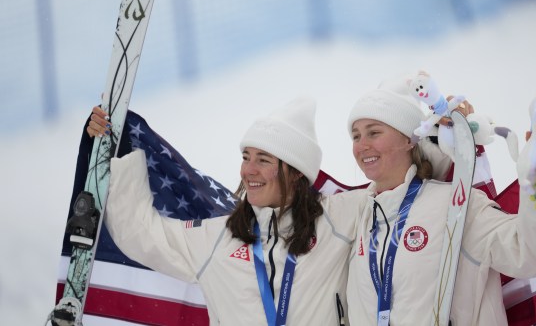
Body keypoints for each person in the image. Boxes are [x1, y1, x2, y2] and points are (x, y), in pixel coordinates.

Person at [87, 97, 367, 325]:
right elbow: (139, 233)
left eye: (263, 159)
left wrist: (407, 107)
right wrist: (116, 147)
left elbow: (399, 193)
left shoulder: (339, 220)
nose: (249, 170)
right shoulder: (217, 237)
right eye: (246, 158)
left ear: (295, 173)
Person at [344, 75, 536, 325]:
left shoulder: (457, 205)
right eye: (356, 136)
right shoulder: (357, 216)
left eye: (373, 133)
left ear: (409, 139)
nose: (361, 146)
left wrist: (534, 182)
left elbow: (533, 253)